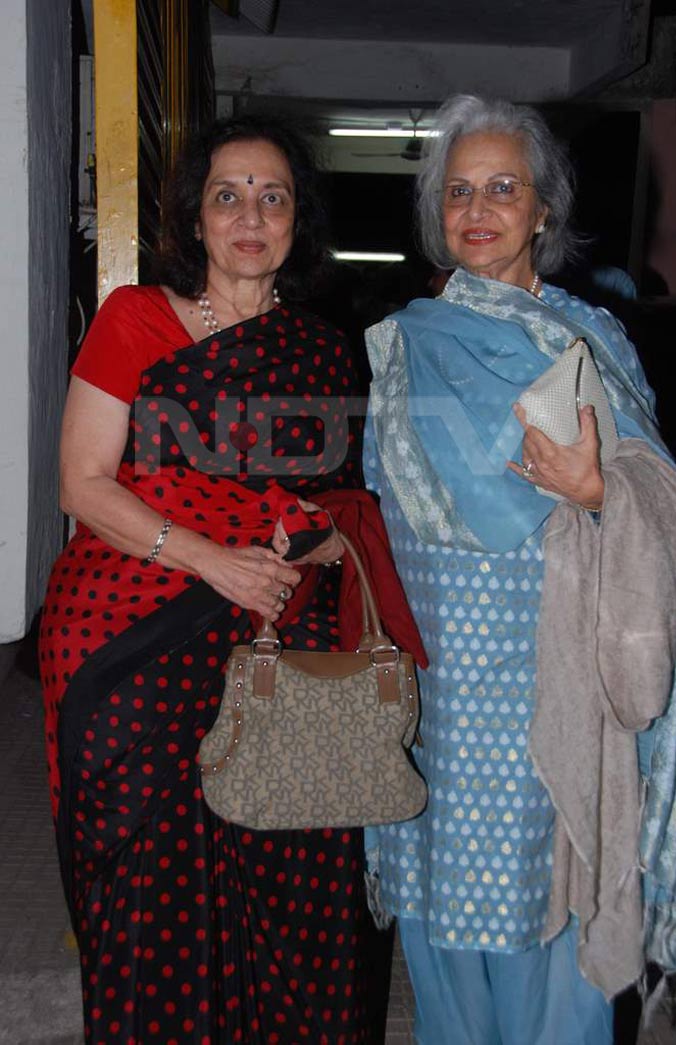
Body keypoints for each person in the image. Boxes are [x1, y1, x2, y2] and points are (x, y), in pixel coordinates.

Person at [39, 114, 424, 1043]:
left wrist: (325, 542)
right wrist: (211, 558)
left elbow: (346, 506)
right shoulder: (136, 318)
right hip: (135, 637)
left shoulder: (327, 350)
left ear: (297, 221)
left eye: (272, 196)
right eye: (228, 194)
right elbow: (82, 484)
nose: (250, 214)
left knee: (304, 879)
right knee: (149, 891)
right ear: (196, 218)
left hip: (281, 646)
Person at [363, 94, 676, 1045]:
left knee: (549, 941)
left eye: (503, 187)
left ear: (543, 210)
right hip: (435, 700)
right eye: (459, 190)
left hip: (552, 698)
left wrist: (600, 494)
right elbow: (381, 513)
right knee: (443, 947)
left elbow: (671, 513)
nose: (479, 208)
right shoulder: (403, 348)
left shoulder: (590, 339)